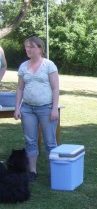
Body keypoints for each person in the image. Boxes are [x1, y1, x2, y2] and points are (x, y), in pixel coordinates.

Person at [14, 36, 59, 181]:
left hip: (46, 108)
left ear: (40, 49)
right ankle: (32, 171)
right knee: (30, 140)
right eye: (26, 47)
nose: (28, 49)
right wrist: (17, 108)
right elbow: (20, 89)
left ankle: (56, 170)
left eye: (31, 47)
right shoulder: (23, 66)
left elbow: (55, 88)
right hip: (27, 109)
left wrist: (54, 109)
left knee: (50, 141)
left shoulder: (49, 65)